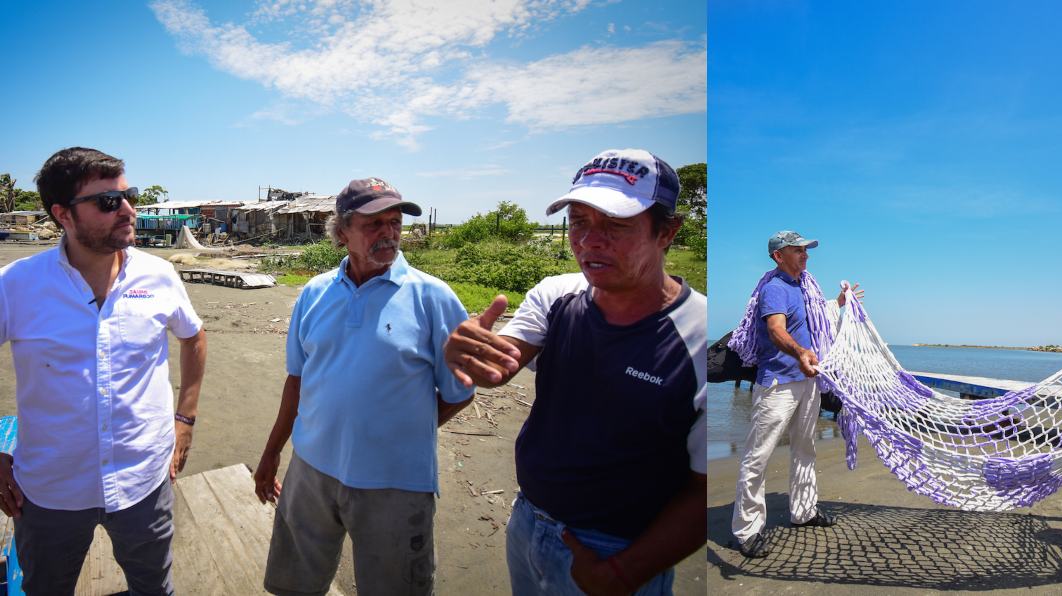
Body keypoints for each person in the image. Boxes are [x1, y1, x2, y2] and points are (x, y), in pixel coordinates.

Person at [442, 149, 706, 595]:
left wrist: (625, 571)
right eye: (579, 222)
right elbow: (501, 362)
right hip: (528, 521)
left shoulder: (697, 338)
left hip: (618, 550)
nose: (589, 241)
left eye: (616, 226)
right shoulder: (557, 296)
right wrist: (467, 354)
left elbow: (705, 491)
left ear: (668, 232)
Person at [0, 147, 207, 595]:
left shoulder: (159, 275)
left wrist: (185, 419)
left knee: (154, 586)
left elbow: (194, 337)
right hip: (51, 490)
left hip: (143, 481)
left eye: (127, 196)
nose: (129, 210)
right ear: (63, 215)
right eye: (109, 202)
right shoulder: (17, 284)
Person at [253, 178, 473, 595]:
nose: (389, 233)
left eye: (395, 223)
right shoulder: (315, 294)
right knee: (293, 585)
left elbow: (459, 394)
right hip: (310, 473)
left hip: (396, 484)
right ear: (342, 231)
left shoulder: (433, 299)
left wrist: (394, 434)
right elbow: (297, 381)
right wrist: (271, 454)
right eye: (374, 224)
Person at [728, 231, 859, 558]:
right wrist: (801, 352)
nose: (805, 256)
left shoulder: (805, 288)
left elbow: (816, 318)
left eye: (806, 250)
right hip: (778, 383)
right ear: (778, 256)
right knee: (757, 456)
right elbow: (776, 330)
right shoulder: (774, 289)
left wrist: (840, 303)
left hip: (808, 381)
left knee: (805, 448)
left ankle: (803, 511)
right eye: (797, 250)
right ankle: (747, 529)